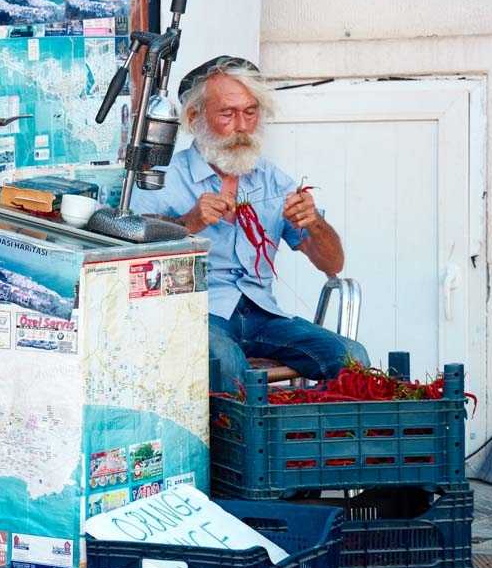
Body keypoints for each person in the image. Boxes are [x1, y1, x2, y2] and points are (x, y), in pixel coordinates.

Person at [129, 55, 369, 393]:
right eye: (227, 114)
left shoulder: (271, 180)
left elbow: (332, 264)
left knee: (351, 359)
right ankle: (241, 445)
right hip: (197, 312)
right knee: (225, 361)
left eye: (251, 112)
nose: (242, 126)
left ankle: (315, 441)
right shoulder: (166, 177)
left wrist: (313, 223)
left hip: (261, 313)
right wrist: (187, 223)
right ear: (196, 117)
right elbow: (130, 253)